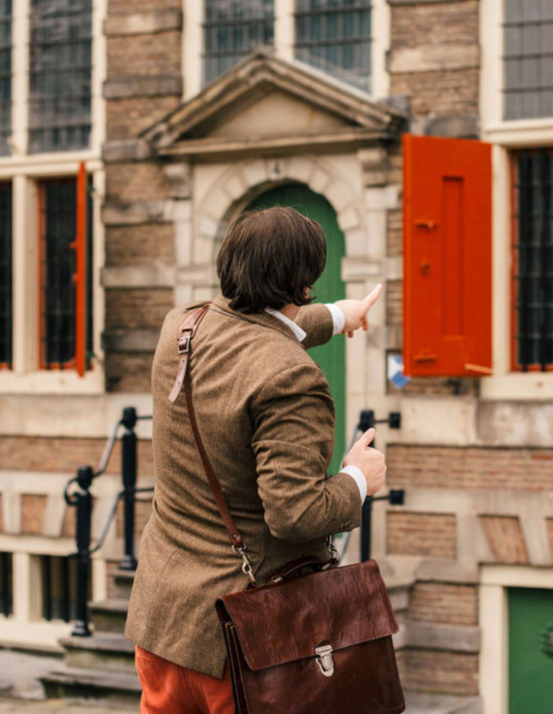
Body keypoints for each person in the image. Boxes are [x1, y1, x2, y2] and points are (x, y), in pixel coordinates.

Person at [125, 206, 387, 714]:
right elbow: (296, 514)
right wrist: (359, 478)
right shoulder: (292, 378)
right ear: (303, 281)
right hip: (242, 644)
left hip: (163, 626)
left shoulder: (182, 329)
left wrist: (338, 316)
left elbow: (254, 329)